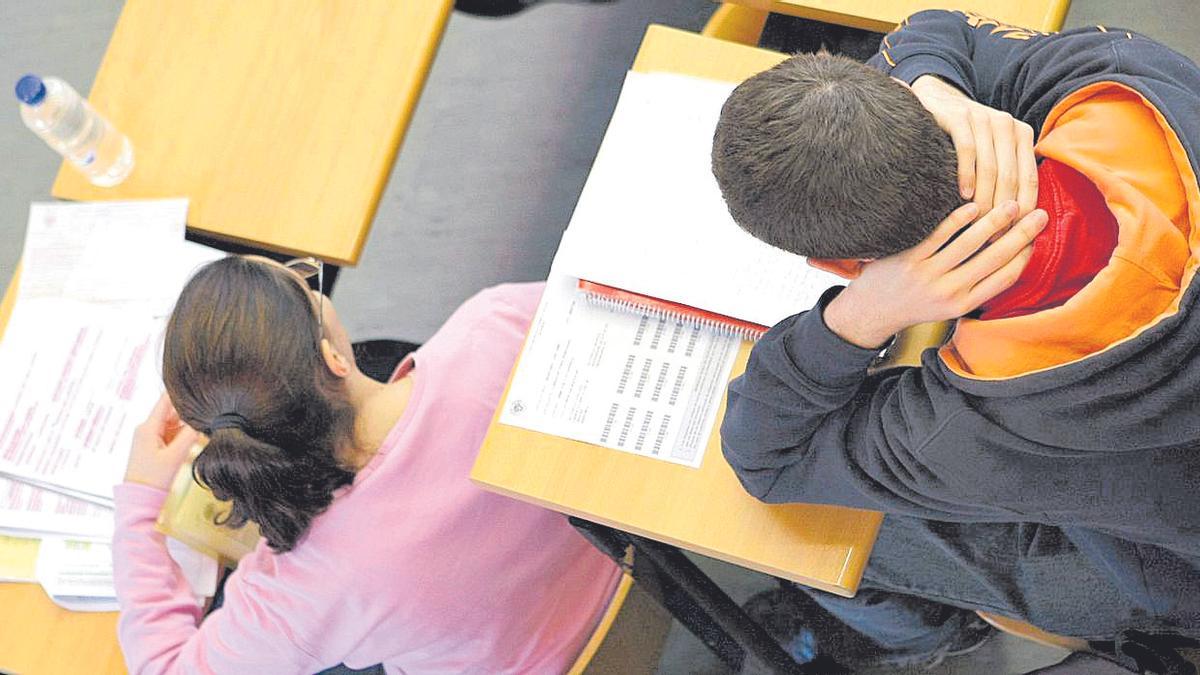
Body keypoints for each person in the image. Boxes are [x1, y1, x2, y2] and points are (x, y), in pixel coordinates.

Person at [710, 8, 1200, 669]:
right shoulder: (1123, 88)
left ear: (839, 267)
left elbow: (765, 459)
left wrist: (855, 320)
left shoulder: (969, 428)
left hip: (1178, 569)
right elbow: (936, 26)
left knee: (817, 536)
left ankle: (930, 636)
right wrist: (930, 80)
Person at [113, 256, 621, 673]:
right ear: (332, 357)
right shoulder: (495, 330)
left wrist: (140, 503)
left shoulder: (306, 588)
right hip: (636, 563)